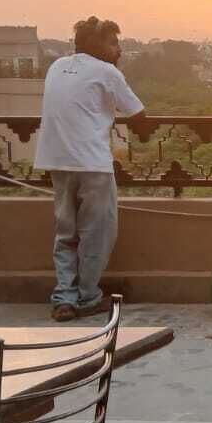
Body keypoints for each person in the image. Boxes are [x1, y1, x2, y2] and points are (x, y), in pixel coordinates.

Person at [35, 17, 145, 321]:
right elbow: (139, 114)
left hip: (56, 159)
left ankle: (64, 298)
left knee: (66, 232)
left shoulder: (57, 66)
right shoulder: (107, 72)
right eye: (113, 43)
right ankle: (87, 296)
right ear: (97, 45)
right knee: (98, 233)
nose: (119, 50)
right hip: (92, 163)